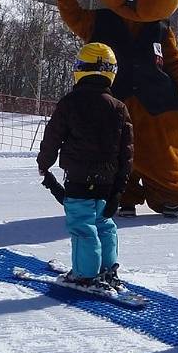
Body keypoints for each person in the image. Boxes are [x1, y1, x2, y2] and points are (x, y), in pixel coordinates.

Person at [37, 42, 134, 291]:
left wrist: (44, 164)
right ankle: (107, 268)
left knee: (82, 225)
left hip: (78, 177)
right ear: (111, 71)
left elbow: (53, 136)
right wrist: (121, 186)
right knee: (104, 222)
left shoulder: (69, 103)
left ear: (80, 69)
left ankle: (85, 273)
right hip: (107, 180)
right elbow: (127, 152)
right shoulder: (119, 108)